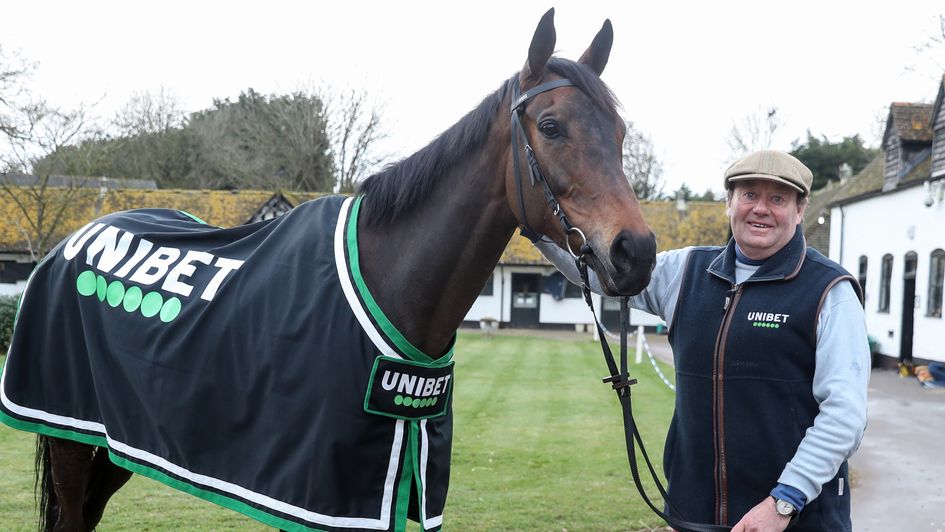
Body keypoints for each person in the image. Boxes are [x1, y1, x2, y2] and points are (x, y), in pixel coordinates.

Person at [538, 150, 869, 531]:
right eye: (749, 195)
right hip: (693, 515)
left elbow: (845, 416)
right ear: (729, 202)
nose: (761, 208)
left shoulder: (830, 290)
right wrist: (537, 231)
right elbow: (602, 276)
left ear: (799, 210)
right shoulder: (686, 270)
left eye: (777, 199)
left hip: (794, 519)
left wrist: (784, 502)